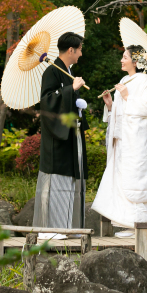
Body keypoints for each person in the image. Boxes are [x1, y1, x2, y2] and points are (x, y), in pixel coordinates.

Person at [92, 45, 147, 238]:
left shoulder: (144, 80)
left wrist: (126, 96)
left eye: (125, 57)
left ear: (135, 61)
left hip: (136, 140)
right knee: (122, 178)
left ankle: (140, 225)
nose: (121, 60)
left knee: (136, 178)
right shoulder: (125, 79)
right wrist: (110, 104)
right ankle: (128, 223)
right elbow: (122, 111)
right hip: (123, 139)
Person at [33, 32, 89, 240]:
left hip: (71, 134)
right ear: (71, 50)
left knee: (71, 180)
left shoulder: (66, 72)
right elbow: (47, 101)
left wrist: (78, 105)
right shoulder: (52, 71)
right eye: (80, 49)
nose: (81, 54)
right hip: (57, 137)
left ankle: (68, 227)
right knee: (57, 179)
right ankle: (51, 228)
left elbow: (67, 101)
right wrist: (69, 90)